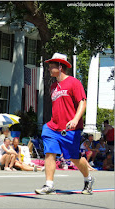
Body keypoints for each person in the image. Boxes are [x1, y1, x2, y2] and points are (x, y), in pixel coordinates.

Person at [35, 53, 94, 195]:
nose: (49, 69)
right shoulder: (53, 86)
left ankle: (88, 179)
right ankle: (49, 185)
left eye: (51, 67)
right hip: (53, 127)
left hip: (70, 129)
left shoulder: (74, 82)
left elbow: (82, 102)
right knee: (50, 152)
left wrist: (75, 119)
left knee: (74, 158)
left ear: (60, 67)